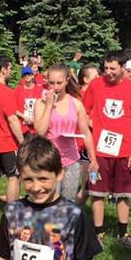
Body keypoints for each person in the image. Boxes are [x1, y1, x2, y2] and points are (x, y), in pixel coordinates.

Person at [83, 50, 131, 248]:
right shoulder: (95, 84)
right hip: (100, 152)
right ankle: (98, 233)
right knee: (97, 192)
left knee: (124, 193)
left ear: (123, 69)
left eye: (113, 68)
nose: (108, 72)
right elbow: (84, 111)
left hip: (125, 150)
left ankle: (123, 233)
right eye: (105, 68)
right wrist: (92, 127)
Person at [33, 63, 98, 202]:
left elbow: (86, 132)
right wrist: (49, 105)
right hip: (48, 160)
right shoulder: (41, 103)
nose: (55, 87)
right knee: (49, 201)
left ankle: (67, 224)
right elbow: (40, 131)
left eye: (59, 83)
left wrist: (93, 158)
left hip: (71, 160)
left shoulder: (76, 104)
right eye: (51, 83)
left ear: (67, 81)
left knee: (68, 202)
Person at [0, 54, 25, 203]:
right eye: (10, 68)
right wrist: (22, 142)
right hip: (7, 143)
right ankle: (12, 210)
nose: (11, 71)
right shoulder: (6, 91)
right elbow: (12, 119)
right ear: (3, 70)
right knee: (14, 176)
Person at [14, 65, 44, 136]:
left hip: (37, 127)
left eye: (29, 74)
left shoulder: (40, 90)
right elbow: (13, 109)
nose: (27, 76)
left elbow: (44, 108)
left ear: (33, 76)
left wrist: (36, 119)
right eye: (25, 75)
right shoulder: (17, 90)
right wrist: (24, 117)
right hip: (23, 128)